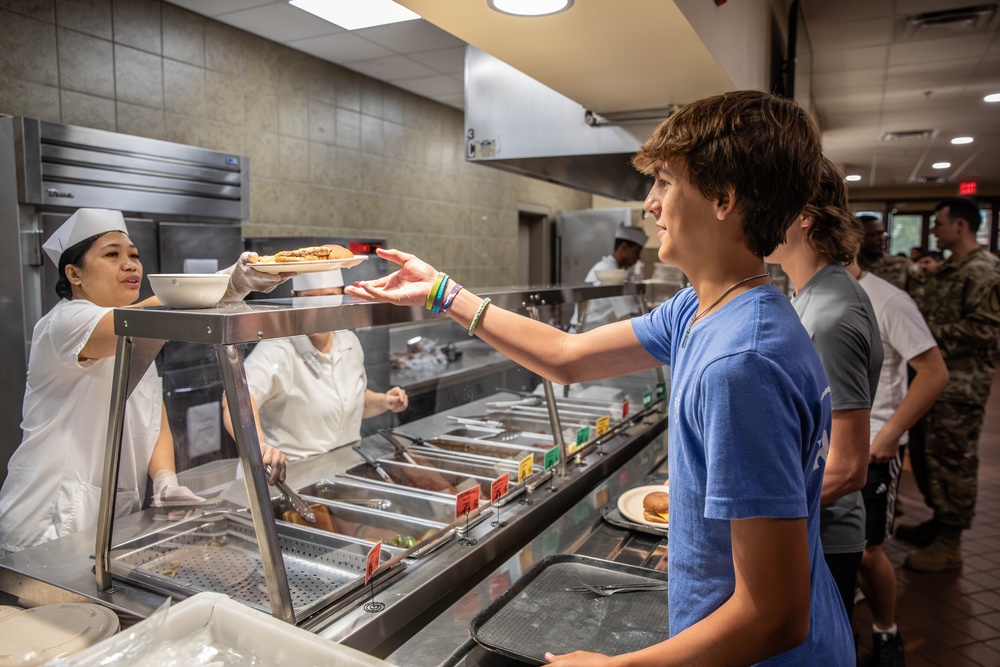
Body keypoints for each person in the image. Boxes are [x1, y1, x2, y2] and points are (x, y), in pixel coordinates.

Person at [348, 90, 854, 665]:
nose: (650, 205)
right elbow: (567, 355)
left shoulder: (741, 364)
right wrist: (444, 292)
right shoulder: (705, 310)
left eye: (664, 182)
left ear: (724, 198)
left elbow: (774, 616)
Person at [0, 209, 287, 554]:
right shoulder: (66, 322)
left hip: (107, 522)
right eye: (112, 254)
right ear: (73, 274)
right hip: (45, 524)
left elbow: (152, 414)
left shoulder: (136, 332)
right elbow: (144, 318)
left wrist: (165, 479)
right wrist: (235, 281)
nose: (130, 264)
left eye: (134, 255)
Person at [764, 157, 883, 623]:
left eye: (769, 202)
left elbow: (848, 469)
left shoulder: (831, 314)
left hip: (826, 538)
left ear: (804, 216)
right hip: (807, 527)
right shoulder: (808, 293)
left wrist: (744, 516)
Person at [845, 251, 948, 667]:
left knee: (869, 551)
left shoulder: (887, 299)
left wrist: (889, 434)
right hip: (832, 447)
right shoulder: (808, 293)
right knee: (836, 546)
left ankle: (886, 630)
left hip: (874, 446)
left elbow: (934, 372)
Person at [895, 196, 1000, 572]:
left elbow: (985, 330)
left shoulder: (983, 271)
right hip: (936, 382)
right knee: (929, 456)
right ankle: (939, 522)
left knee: (953, 461)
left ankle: (950, 542)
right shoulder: (952, 267)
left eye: (939, 223)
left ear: (961, 226)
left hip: (960, 386)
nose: (935, 230)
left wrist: (922, 337)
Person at [223, 270, 409, 462]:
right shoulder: (278, 348)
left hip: (346, 464)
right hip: (291, 472)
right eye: (310, 298)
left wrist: (384, 400)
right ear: (294, 299)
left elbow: (352, 402)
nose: (321, 309)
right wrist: (258, 447)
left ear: (342, 296)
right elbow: (235, 399)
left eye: (330, 297)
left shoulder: (348, 340)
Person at [858, 214, 911, 290]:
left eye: (883, 233)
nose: (882, 239)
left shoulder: (901, 264)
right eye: (873, 235)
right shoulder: (849, 267)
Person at [583, 224, 648, 285]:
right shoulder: (608, 270)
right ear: (624, 248)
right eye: (636, 252)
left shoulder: (614, 268)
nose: (638, 258)